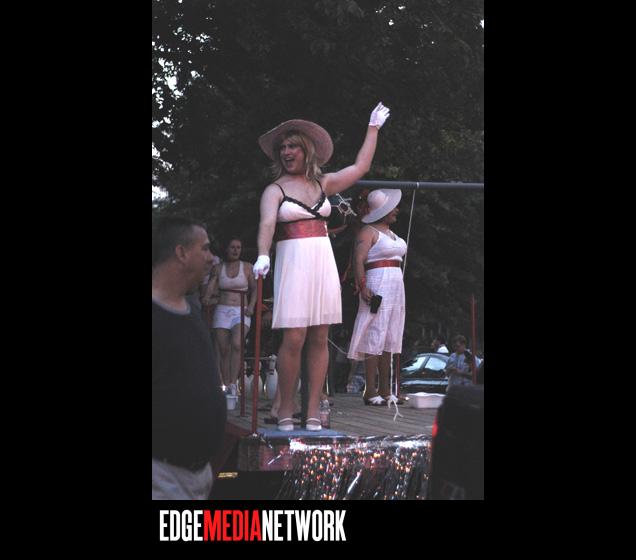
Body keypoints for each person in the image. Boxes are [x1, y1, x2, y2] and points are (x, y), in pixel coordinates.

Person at [253, 102, 391, 431]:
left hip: (321, 260)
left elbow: (360, 167)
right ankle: (285, 408)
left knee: (319, 336)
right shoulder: (274, 190)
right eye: (283, 147)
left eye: (293, 146)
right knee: (294, 337)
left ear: (307, 150)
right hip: (293, 261)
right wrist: (263, 254)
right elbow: (267, 224)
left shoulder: (323, 184)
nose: (287, 152)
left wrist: (372, 128)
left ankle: (313, 409)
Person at [152, 216, 227, 499]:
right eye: (204, 248)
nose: (211, 258)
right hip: (161, 476)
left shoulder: (191, 310)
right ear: (181, 253)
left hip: (197, 476)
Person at [347, 189, 407, 406]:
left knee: (390, 333)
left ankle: (385, 389)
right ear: (383, 211)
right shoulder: (368, 231)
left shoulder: (392, 234)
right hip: (377, 282)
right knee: (374, 332)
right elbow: (358, 259)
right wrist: (362, 285)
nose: (397, 211)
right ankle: (370, 390)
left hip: (395, 285)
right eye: (393, 208)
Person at [203, 238, 257, 392]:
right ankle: (226, 383)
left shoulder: (247, 267)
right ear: (226, 249)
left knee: (237, 344)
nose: (235, 250)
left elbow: (255, 288)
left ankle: (233, 382)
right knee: (223, 348)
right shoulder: (218, 268)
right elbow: (212, 284)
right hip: (223, 309)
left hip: (241, 309)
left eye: (238, 247)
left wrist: (251, 306)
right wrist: (207, 296)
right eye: (232, 247)